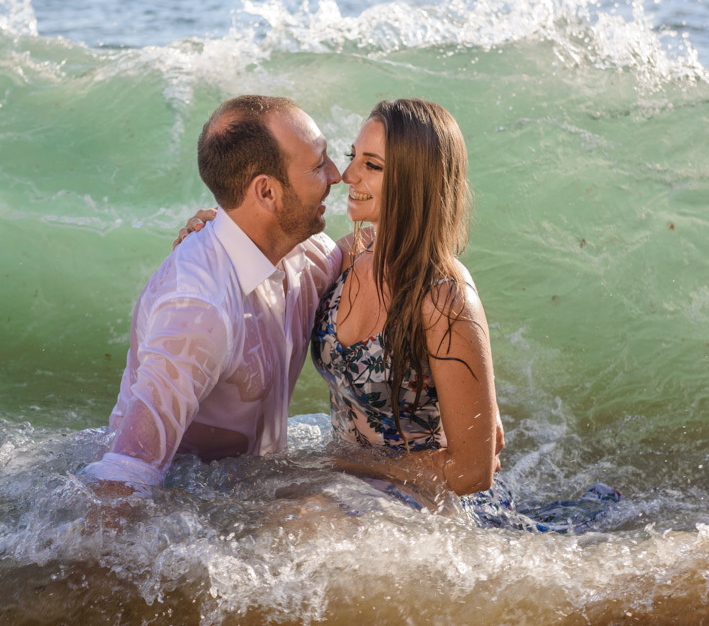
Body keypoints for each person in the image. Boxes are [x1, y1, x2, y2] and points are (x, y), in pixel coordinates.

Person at [177, 98, 505, 509]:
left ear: (416, 180)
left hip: (423, 498)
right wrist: (214, 236)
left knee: (299, 519)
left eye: (372, 165)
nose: (346, 174)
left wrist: (349, 465)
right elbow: (259, 275)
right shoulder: (347, 257)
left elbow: (473, 471)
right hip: (345, 481)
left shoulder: (444, 298)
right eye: (354, 157)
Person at [81, 95, 342, 495]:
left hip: (249, 494)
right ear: (267, 192)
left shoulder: (308, 257)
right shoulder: (197, 308)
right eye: (318, 165)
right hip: (183, 506)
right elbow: (124, 477)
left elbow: (378, 261)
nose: (337, 175)